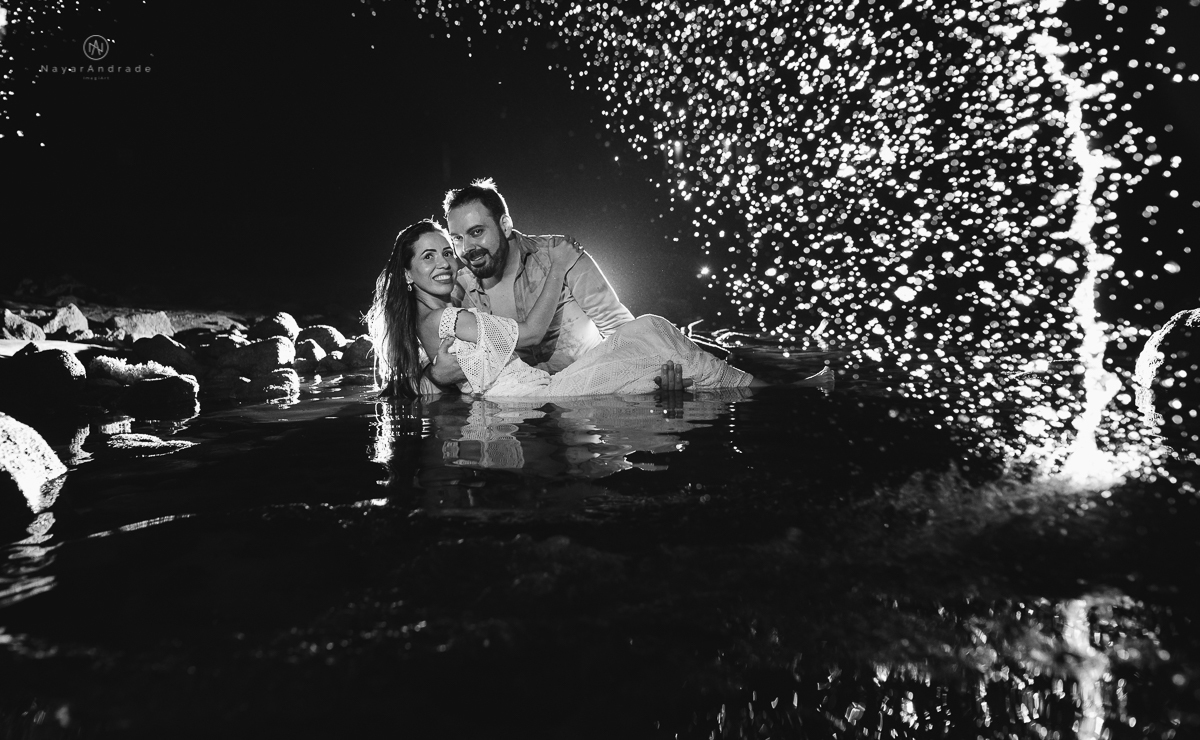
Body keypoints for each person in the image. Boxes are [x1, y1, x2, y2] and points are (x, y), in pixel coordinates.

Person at [368, 220, 832, 398]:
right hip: (542, 398)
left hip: (550, 386)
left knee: (657, 341)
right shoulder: (445, 313)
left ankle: (765, 384)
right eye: (432, 255)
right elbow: (522, 339)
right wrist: (437, 378)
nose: (454, 257)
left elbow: (614, 322)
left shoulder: (455, 298)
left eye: (447, 249)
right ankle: (778, 392)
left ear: (504, 227)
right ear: (408, 274)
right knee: (658, 339)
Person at [426, 178, 634, 387]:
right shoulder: (458, 288)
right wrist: (434, 374)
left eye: (477, 232)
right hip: (515, 413)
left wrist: (653, 373)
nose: (467, 248)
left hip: (591, 398)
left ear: (505, 226)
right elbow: (431, 358)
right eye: (457, 239)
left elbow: (620, 328)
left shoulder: (560, 255)